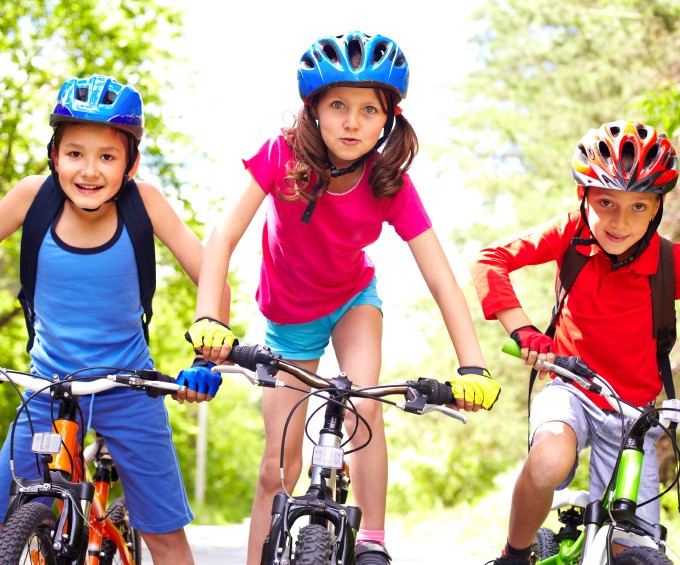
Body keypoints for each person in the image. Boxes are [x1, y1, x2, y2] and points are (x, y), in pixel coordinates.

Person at [184, 31, 500, 565]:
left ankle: (373, 540)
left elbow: (441, 277)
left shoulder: (388, 181)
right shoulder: (282, 154)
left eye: (368, 110)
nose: (352, 122)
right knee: (276, 466)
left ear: (388, 119)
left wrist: (472, 365)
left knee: (364, 405)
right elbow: (221, 238)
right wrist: (208, 319)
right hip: (287, 316)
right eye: (337, 105)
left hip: (353, 299)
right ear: (313, 110)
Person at [0, 74, 224, 564]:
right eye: (75, 153)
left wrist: (207, 357)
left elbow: (211, 273)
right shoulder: (31, 197)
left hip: (130, 389)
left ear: (131, 164)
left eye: (107, 156)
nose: (89, 170)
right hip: (46, 388)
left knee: (165, 536)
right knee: (3, 511)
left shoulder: (145, 205)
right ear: (54, 155)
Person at [471, 120, 679, 564]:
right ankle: (515, 553)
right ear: (583, 197)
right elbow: (491, 260)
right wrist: (523, 330)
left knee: (633, 549)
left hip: (634, 416)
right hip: (573, 388)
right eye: (606, 202)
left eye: (638, 206)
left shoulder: (667, 261)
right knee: (549, 460)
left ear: (658, 207)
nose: (620, 223)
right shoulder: (570, 234)